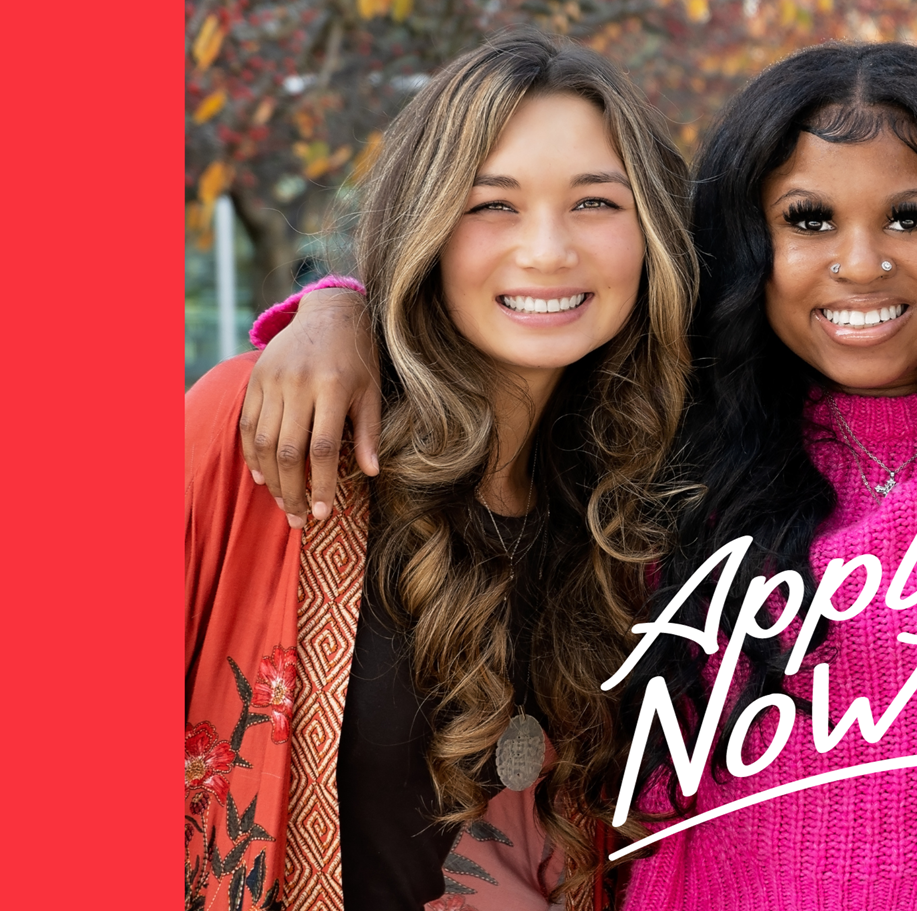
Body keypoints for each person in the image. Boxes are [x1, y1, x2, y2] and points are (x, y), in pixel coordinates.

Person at [247, 43, 917, 908]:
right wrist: (342, 305)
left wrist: (339, 309)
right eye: (807, 220)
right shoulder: (658, 455)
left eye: (912, 216)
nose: (860, 262)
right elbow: (506, 348)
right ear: (747, 244)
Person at [184, 29, 696, 911]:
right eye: (491, 204)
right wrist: (337, 303)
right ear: (424, 221)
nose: (547, 250)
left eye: (596, 204)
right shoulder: (265, 432)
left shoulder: (645, 503)